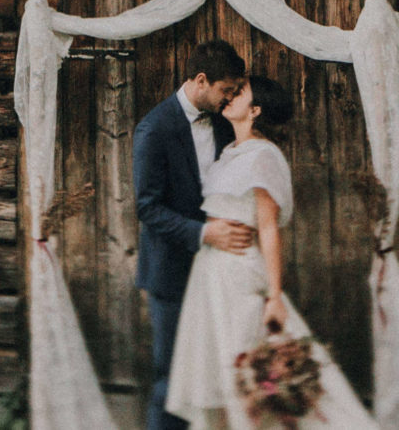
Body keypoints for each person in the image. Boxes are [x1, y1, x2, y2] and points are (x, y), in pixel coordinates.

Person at [164, 75, 379, 430]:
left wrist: (275, 296)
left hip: (239, 274)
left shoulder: (263, 156)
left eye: (239, 93)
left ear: (257, 109)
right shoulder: (231, 152)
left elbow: (268, 228)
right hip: (211, 275)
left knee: (247, 365)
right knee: (220, 371)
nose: (230, 97)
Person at [133, 39, 252, 430]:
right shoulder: (154, 128)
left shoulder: (221, 122)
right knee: (173, 378)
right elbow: (147, 208)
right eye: (225, 90)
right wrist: (204, 234)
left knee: (214, 375)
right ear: (201, 80)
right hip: (172, 272)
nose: (230, 98)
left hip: (219, 271)